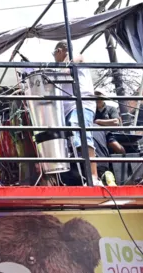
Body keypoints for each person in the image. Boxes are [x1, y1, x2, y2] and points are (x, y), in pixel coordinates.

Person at [53, 40, 102, 186]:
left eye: (53, 54)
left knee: (81, 133)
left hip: (80, 104)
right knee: (71, 141)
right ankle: (81, 177)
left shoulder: (75, 56)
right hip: (69, 108)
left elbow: (77, 59)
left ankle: (93, 176)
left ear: (60, 51)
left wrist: (64, 68)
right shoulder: (62, 66)